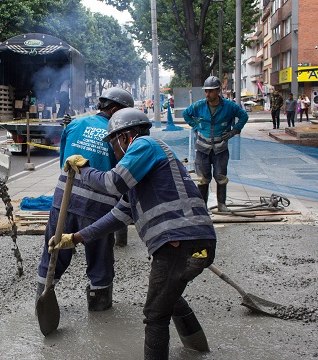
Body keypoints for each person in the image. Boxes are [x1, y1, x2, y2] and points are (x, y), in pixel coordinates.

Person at [51, 108, 217, 359]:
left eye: (114, 147)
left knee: (155, 316)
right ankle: (198, 347)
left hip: (177, 242)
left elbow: (111, 182)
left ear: (126, 137)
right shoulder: (141, 177)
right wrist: (75, 238)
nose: (114, 154)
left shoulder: (144, 145)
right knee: (169, 298)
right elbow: (116, 217)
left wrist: (83, 168)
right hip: (194, 241)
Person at [36, 87, 134, 311]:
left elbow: (64, 162)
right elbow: (122, 173)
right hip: (98, 207)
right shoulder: (118, 134)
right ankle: (100, 309)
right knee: (100, 259)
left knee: (53, 251)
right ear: (116, 110)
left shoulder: (75, 125)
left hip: (64, 201)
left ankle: (41, 303)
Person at [182, 76, 249, 212]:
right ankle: (202, 206)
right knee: (203, 179)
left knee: (221, 177)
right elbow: (186, 114)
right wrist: (196, 126)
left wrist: (234, 131)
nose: (208, 94)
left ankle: (221, 205)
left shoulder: (229, 107)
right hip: (202, 149)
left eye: (211, 91)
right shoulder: (199, 105)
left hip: (220, 149)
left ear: (218, 91)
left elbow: (244, 116)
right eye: (206, 91)